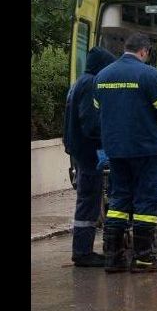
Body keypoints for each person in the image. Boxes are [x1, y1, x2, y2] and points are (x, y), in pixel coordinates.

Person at [94, 32, 157, 273]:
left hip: (115, 149)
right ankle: (143, 258)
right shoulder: (148, 74)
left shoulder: (102, 76)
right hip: (144, 149)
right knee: (146, 200)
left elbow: (98, 111)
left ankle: (113, 257)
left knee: (118, 200)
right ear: (145, 51)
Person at [63, 46, 117, 267]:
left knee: (88, 201)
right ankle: (83, 252)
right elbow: (91, 123)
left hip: (81, 152)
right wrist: (105, 142)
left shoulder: (79, 83)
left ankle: (82, 250)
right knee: (88, 202)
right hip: (88, 154)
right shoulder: (90, 85)